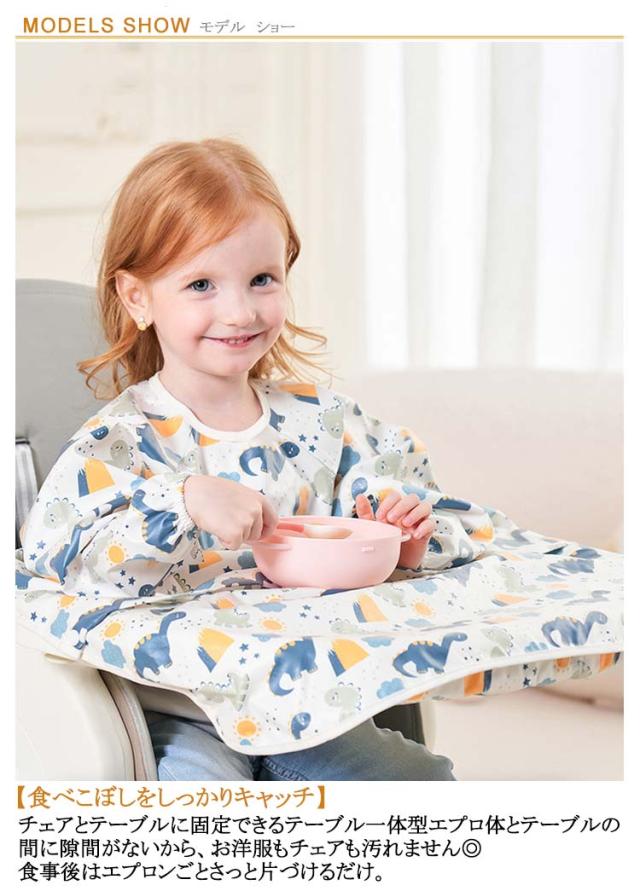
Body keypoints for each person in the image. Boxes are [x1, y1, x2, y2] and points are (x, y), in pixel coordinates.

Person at [20, 138, 494, 781]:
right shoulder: (119, 444)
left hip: (311, 703)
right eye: (201, 284)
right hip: (180, 711)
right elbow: (58, 562)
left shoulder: (328, 426)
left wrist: (402, 542)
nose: (240, 311)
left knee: (422, 785)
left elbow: (451, 523)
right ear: (137, 297)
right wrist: (181, 500)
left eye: (262, 280)